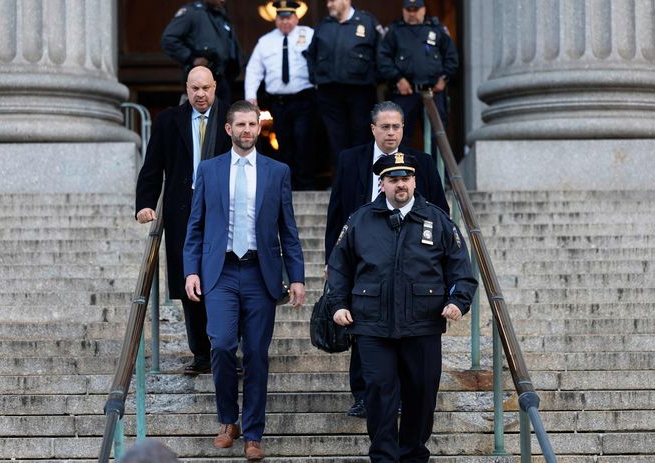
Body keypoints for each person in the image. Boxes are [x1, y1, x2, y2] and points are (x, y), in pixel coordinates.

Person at [327, 153, 477, 462]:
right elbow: (339, 267)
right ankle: (383, 456)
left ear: (415, 181)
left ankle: (413, 454)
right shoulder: (360, 219)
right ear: (381, 184)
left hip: (422, 324)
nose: (401, 185)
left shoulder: (436, 219)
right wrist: (338, 304)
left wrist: (457, 300)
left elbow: (461, 268)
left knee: (421, 395)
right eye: (393, 180)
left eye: (405, 179)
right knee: (379, 394)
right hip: (372, 325)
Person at [182, 100, 306, 461]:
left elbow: (289, 228)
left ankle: (253, 433)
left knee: (255, 354)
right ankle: (226, 421)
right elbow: (196, 226)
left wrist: (295, 276)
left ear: (258, 128)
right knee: (220, 344)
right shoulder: (208, 170)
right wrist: (191, 270)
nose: (247, 131)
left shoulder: (277, 171)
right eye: (241, 125)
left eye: (252, 124)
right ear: (229, 129)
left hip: (259, 272)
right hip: (219, 271)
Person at [324, 101, 449, 418]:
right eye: (385, 126)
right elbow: (336, 212)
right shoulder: (351, 160)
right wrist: (331, 258)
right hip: (361, 256)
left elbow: (441, 215)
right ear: (373, 129)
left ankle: (402, 394)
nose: (391, 132)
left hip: (411, 260)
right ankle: (364, 394)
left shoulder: (422, 162)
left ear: (403, 129)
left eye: (397, 126)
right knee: (361, 325)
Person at [136, 66, 231, 376]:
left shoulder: (231, 118)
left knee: (225, 278)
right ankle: (202, 353)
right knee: (191, 280)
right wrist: (145, 204)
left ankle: (227, 349)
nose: (200, 94)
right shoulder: (168, 121)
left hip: (223, 210)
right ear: (187, 89)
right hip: (182, 211)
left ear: (215, 87)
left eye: (205, 88)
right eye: (194, 89)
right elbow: (153, 167)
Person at [245, 1, 316, 190]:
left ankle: (306, 185)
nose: (285, 22)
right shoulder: (265, 41)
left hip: (304, 99)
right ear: (276, 19)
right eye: (281, 18)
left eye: (289, 17)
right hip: (278, 102)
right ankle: (287, 186)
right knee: (283, 143)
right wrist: (251, 97)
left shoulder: (309, 35)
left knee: (304, 140)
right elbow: (254, 70)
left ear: (296, 17)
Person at [305, 0, 382, 166]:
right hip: (329, 92)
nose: (328, 4)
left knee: (361, 136)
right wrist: (315, 78)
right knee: (336, 138)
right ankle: (342, 181)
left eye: (333, 1)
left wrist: (373, 79)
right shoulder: (324, 25)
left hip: (360, 92)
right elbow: (311, 55)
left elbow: (381, 54)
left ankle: (362, 181)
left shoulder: (367, 21)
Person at [377, 0, 458, 153]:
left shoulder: (437, 29)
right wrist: (398, 79)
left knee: (438, 136)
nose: (412, 13)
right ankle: (398, 173)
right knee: (399, 135)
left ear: (423, 10)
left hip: (433, 92)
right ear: (403, 10)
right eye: (409, 9)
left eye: (416, 9)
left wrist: (444, 78)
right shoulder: (394, 31)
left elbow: (451, 57)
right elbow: (383, 59)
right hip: (404, 92)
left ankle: (438, 176)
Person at [161, 0, 242, 103]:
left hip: (222, 78)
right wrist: (191, 58)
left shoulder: (221, 15)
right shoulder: (192, 12)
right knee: (199, 117)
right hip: (200, 79)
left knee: (222, 116)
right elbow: (169, 39)